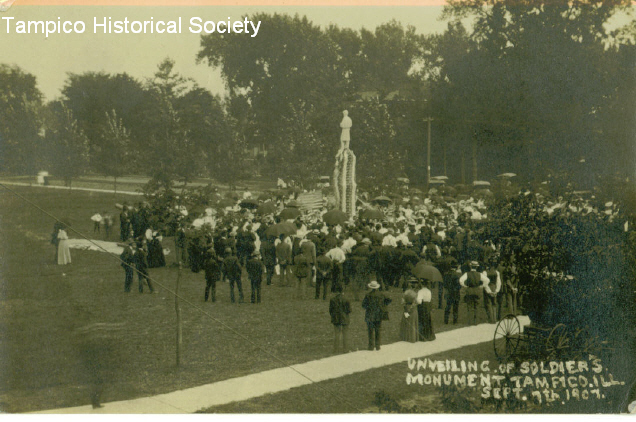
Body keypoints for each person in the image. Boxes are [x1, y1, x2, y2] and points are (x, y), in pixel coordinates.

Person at [361, 280, 392, 351]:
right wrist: (383, 305)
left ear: (371, 287)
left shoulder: (368, 295)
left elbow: (363, 305)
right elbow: (389, 300)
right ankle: (378, 346)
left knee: (370, 331)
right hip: (378, 314)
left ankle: (371, 346)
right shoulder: (381, 294)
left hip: (370, 315)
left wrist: (369, 307)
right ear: (377, 287)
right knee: (378, 330)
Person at [459, 261, 489, 325]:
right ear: (477, 267)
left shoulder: (467, 274)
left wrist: (465, 286)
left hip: (469, 290)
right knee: (477, 306)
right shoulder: (479, 274)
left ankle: (470, 321)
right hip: (477, 290)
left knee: (470, 306)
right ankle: (476, 322)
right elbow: (487, 280)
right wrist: (482, 286)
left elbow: (461, 280)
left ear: (470, 266)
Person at [329, 284, 351, 353]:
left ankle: (336, 349)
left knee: (336, 334)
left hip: (336, 318)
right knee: (345, 334)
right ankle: (345, 349)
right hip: (344, 318)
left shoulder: (332, 300)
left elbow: (330, 310)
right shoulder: (346, 299)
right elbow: (349, 310)